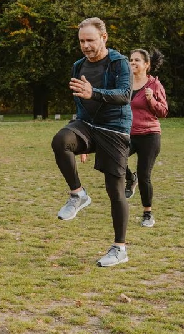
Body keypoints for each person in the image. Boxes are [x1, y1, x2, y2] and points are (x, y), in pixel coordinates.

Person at [51, 17, 133, 267]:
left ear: (104, 38)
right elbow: (81, 101)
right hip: (87, 125)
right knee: (61, 140)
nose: (85, 45)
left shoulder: (119, 63)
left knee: (115, 191)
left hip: (115, 129)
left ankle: (119, 248)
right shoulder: (78, 66)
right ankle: (78, 195)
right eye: (81, 41)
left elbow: (125, 94)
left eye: (90, 40)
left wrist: (94, 92)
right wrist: (80, 139)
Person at [125, 49, 168, 227]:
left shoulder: (154, 85)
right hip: (128, 133)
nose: (133, 63)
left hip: (150, 135)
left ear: (146, 65)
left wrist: (151, 100)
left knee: (145, 175)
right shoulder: (125, 84)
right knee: (111, 158)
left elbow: (163, 111)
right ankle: (130, 178)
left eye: (137, 60)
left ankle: (147, 213)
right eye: (131, 60)